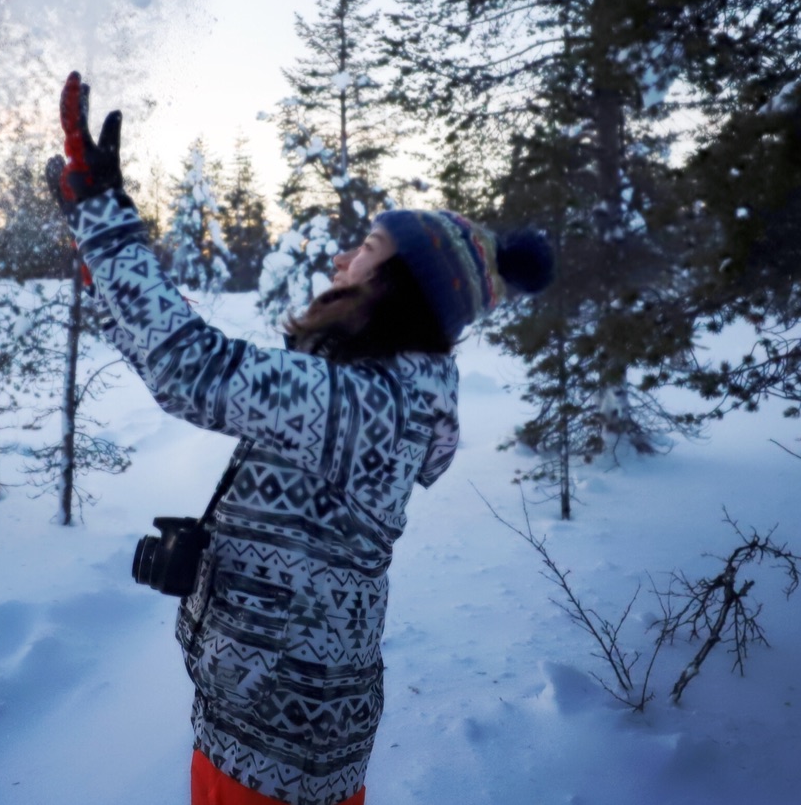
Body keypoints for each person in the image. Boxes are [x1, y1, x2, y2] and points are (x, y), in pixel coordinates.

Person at [47, 72, 552, 805]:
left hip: (270, 759)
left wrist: (106, 224)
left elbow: (193, 367)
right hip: (282, 736)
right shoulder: (373, 395)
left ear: (399, 288)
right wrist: (105, 261)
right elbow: (184, 356)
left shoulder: (366, 407)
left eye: (366, 249)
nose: (342, 260)